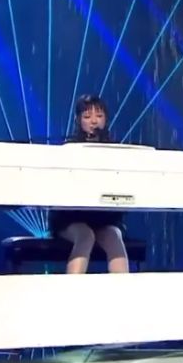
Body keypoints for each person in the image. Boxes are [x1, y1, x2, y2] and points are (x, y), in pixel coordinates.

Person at [48, 95, 129, 274]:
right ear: (78, 120)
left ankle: (122, 289)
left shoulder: (115, 150)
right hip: (70, 217)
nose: (94, 121)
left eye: (99, 116)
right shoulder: (70, 148)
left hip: (103, 216)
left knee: (115, 237)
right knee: (85, 236)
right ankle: (73, 289)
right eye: (87, 116)